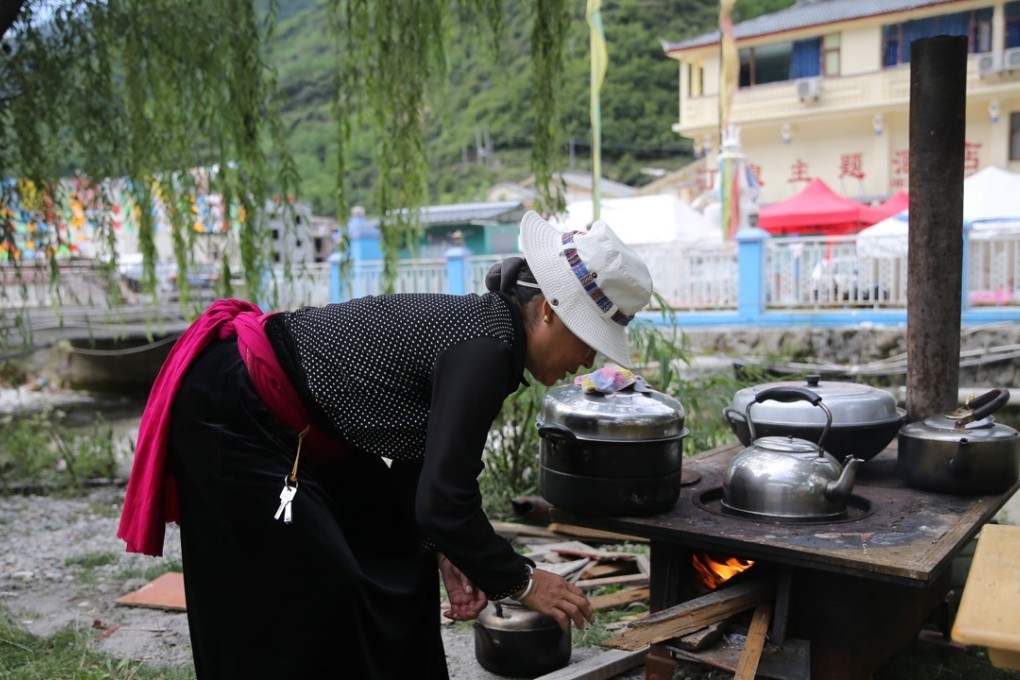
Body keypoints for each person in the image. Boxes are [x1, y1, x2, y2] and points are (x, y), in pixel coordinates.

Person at [117, 210, 654, 679]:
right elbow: (444, 502)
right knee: (314, 589)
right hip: (233, 409)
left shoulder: (493, 340)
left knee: (396, 551)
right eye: (589, 340)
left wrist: (446, 549)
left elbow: (424, 474)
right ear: (549, 311)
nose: (588, 362)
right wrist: (521, 579)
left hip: (307, 426)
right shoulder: (486, 349)